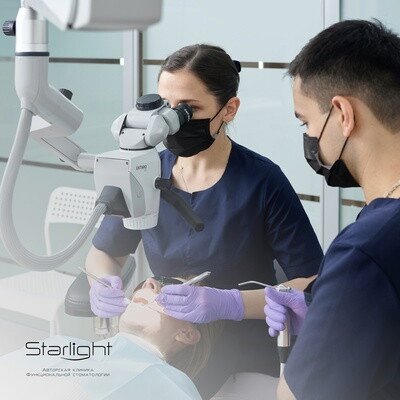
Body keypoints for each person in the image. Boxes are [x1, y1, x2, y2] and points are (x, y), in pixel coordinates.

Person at [87, 44, 323, 398]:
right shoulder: (144, 170)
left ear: (229, 109)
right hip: (168, 342)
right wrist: (102, 282)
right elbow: (104, 252)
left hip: (243, 349)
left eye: (189, 109)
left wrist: (230, 303)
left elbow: (312, 284)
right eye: (165, 107)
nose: (172, 122)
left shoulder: (262, 181)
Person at [264, 20, 400, 400]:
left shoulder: (365, 250)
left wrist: (322, 327)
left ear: (342, 113)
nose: (309, 137)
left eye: (306, 121)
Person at [0, 277, 221, 400]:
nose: (149, 282)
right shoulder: (60, 345)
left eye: (172, 288)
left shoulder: (176, 390)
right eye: (149, 282)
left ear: (186, 334)